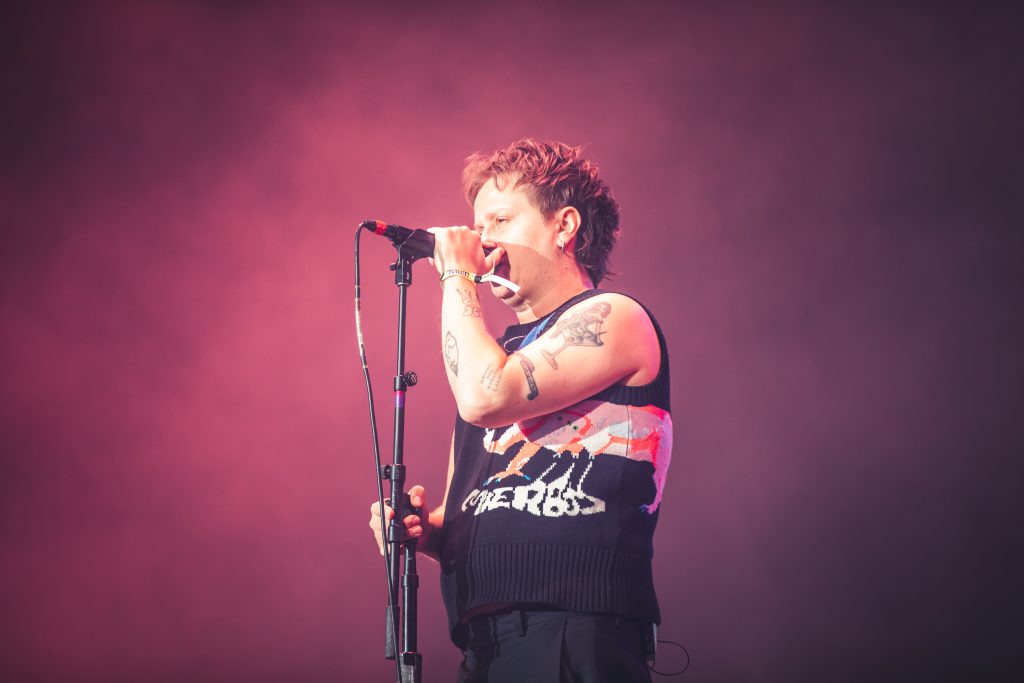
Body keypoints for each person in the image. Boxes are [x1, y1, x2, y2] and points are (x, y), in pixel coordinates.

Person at [369, 139, 673, 682]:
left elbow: (488, 396)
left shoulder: (614, 317)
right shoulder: (501, 354)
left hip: (572, 632)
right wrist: (427, 532)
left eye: (500, 219)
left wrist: (456, 278)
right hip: (486, 644)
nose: (482, 239)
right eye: (477, 223)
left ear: (564, 226)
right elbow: (474, 506)